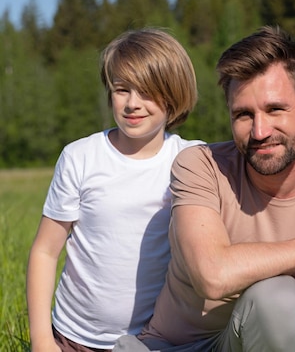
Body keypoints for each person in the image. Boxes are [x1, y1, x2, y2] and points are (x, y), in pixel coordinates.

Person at [114, 26, 295, 352]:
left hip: (259, 339)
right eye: (243, 114)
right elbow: (213, 275)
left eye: (275, 109)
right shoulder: (201, 166)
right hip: (172, 347)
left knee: (276, 300)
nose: (260, 131)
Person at [26, 29, 204, 351]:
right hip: (73, 338)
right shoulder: (80, 157)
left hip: (156, 340)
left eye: (147, 92)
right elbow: (45, 251)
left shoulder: (193, 159)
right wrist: (41, 339)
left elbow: (258, 161)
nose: (133, 104)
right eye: (122, 90)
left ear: (173, 95)